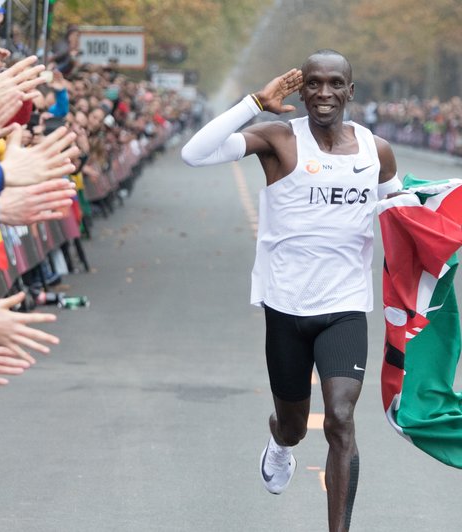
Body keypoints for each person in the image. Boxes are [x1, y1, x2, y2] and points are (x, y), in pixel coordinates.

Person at [181, 49, 402, 531]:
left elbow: (401, 210)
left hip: (345, 307)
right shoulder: (279, 138)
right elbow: (194, 153)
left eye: (335, 84)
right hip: (287, 306)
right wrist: (254, 102)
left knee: (341, 417)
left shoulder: (375, 150)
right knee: (297, 426)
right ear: (301, 91)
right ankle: (279, 442)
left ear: (350, 90)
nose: (324, 94)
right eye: (315, 84)